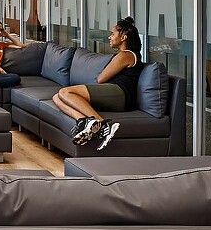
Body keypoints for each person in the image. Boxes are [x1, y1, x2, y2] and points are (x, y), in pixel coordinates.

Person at [53, 16, 145, 151]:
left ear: (124, 37)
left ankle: (102, 124)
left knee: (65, 92)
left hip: (121, 94)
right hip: (115, 93)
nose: (110, 37)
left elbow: (101, 79)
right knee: (56, 97)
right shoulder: (124, 54)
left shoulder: (126, 54)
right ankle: (84, 121)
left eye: (113, 34)